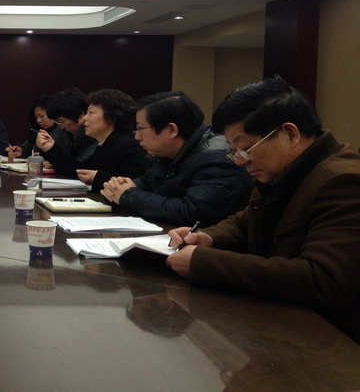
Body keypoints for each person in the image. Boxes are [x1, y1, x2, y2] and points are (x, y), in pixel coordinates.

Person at [167, 77, 360, 341]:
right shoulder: (283, 170)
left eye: (246, 149)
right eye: (234, 151)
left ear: (290, 134)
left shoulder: (343, 181)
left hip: (330, 341)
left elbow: (323, 279)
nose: (240, 161)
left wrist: (203, 262)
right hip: (282, 324)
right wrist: (209, 237)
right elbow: (247, 220)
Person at [101, 90, 253, 226]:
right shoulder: (167, 153)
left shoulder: (216, 158)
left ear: (171, 130)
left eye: (140, 128)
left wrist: (128, 195)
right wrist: (116, 188)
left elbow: (192, 211)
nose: (137, 136)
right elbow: (144, 183)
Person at [75, 89, 151, 191]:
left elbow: (136, 186)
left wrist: (98, 178)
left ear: (111, 117)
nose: (85, 118)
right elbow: (82, 170)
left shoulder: (128, 146)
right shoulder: (106, 143)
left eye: (91, 112)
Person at [34, 87, 97, 177]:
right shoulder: (72, 135)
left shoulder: (94, 137)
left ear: (80, 115)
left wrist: (52, 149)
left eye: (62, 121)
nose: (62, 127)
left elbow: (80, 171)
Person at [5, 95, 69, 160]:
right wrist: (22, 151)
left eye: (42, 116)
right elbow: (30, 148)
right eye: (36, 117)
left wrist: (45, 157)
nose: (39, 120)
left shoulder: (64, 130)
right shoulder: (36, 130)